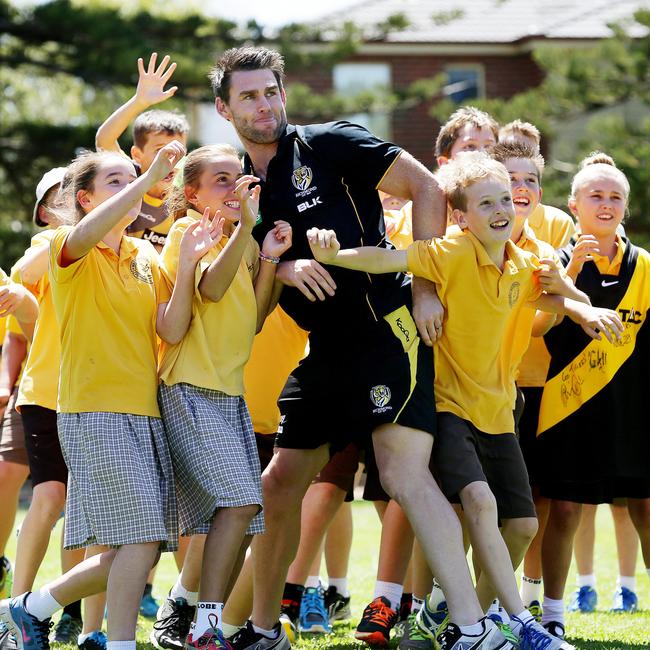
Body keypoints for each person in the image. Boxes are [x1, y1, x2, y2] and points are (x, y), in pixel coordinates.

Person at [211, 46, 511, 650]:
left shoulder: (331, 142)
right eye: (248, 95)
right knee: (278, 484)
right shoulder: (241, 193)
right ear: (224, 108)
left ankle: (475, 629)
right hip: (325, 349)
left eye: (270, 91)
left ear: (283, 94)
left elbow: (426, 187)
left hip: (386, 327)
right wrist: (285, 267)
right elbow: (258, 303)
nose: (264, 103)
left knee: (403, 473)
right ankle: (265, 630)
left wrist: (426, 288)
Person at [307, 151, 624, 650]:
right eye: (486, 203)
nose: (502, 209)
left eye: (505, 200)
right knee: (477, 501)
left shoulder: (522, 263)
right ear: (459, 216)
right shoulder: (450, 251)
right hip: (449, 407)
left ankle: (454, 614)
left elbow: (547, 299)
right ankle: (520, 624)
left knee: (521, 526)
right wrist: (333, 257)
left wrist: (587, 313)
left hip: (500, 412)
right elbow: (387, 259)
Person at [0, 140, 202, 650]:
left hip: (146, 412)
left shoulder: (143, 254)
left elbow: (172, 330)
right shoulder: (66, 244)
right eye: (115, 180)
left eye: (131, 179)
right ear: (86, 199)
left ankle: (29, 610)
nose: (131, 185)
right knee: (137, 541)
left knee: (141, 546)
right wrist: (150, 172)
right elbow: (84, 235)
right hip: (93, 410)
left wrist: (184, 270)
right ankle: (115, 642)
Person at [156, 144, 292, 650]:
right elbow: (209, 291)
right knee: (237, 504)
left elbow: (254, 319)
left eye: (240, 177)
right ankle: (203, 623)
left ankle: (197, 617)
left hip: (227, 393)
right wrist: (244, 234)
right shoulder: (184, 234)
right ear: (191, 194)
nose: (236, 188)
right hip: (189, 385)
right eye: (220, 180)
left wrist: (271, 262)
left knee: (244, 510)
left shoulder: (247, 240)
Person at [538, 153, 650, 640]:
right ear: (574, 203)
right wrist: (569, 278)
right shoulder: (552, 263)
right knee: (563, 510)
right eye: (595, 196)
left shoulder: (644, 266)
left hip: (631, 412)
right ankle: (554, 612)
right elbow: (539, 324)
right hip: (569, 406)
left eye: (615, 197)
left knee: (645, 507)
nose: (606, 205)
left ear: (626, 206)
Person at [96, 52, 189, 253]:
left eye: (179, 150)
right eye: (160, 150)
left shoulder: (187, 194)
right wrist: (139, 101)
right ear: (137, 155)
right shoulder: (129, 179)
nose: (171, 158)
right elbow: (104, 141)